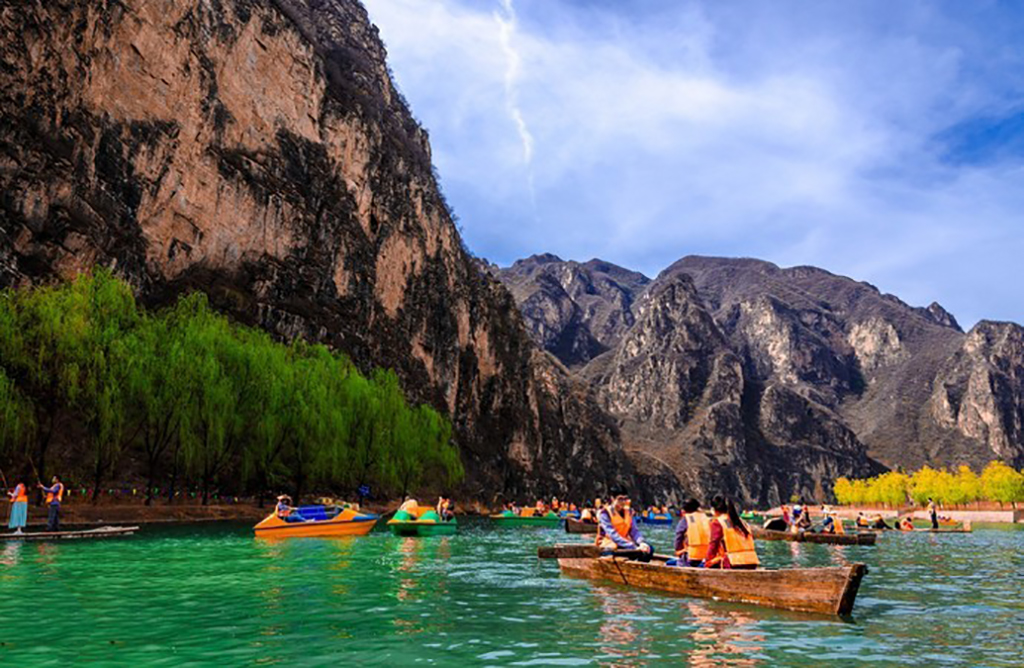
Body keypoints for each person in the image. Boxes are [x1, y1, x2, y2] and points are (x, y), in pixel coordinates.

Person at [704, 495, 759, 570]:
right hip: (752, 563)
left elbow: (713, 544)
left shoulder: (717, 522)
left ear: (714, 510)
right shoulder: (742, 522)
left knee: (710, 563)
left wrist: (707, 562)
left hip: (733, 564)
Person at [597, 494, 653, 561]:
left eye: (625, 499)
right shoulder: (605, 513)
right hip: (608, 545)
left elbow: (634, 531)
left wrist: (642, 543)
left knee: (649, 549)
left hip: (625, 544)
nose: (623, 502)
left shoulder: (629, 512)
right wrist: (633, 547)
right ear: (612, 498)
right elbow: (613, 535)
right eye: (620, 499)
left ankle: (639, 568)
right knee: (610, 552)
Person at [674, 498, 710, 567]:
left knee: (673, 562)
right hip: (706, 556)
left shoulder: (685, 519)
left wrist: (678, 551)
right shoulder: (706, 518)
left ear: (684, 510)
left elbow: (678, 536)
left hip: (691, 557)